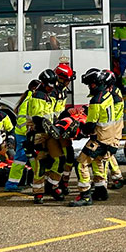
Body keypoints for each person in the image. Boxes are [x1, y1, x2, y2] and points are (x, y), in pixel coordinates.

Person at [70, 69, 117, 207]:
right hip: (109, 137)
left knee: (81, 163)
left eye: (90, 84)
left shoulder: (96, 100)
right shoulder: (107, 95)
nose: (89, 87)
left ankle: (85, 195)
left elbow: (90, 125)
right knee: (98, 161)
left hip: (99, 139)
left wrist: (80, 131)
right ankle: (101, 191)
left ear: (96, 84)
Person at [28, 69, 64, 204]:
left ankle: (52, 184)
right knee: (41, 163)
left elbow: (51, 115)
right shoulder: (38, 96)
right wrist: (49, 126)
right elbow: (37, 118)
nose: (52, 88)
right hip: (39, 134)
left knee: (60, 159)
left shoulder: (47, 95)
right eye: (49, 86)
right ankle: (38, 192)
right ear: (43, 83)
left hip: (49, 133)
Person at [5, 79, 40, 191]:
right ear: (34, 89)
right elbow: (23, 120)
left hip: (23, 134)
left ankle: (13, 184)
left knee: (25, 159)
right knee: (28, 158)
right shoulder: (30, 100)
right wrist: (29, 133)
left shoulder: (27, 99)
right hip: (25, 134)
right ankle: (37, 180)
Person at [52, 63, 76, 195]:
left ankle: (64, 182)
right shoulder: (52, 91)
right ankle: (52, 184)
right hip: (52, 128)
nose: (68, 83)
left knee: (69, 156)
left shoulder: (63, 90)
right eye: (67, 80)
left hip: (60, 127)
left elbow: (60, 111)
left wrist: (68, 113)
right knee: (56, 159)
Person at [101, 69, 125, 189]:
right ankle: (115, 177)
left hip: (113, 128)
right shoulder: (114, 91)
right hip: (114, 126)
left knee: (107, 153)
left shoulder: (113, 96)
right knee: (108, 154)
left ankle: (106, 180)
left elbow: (109, 114)